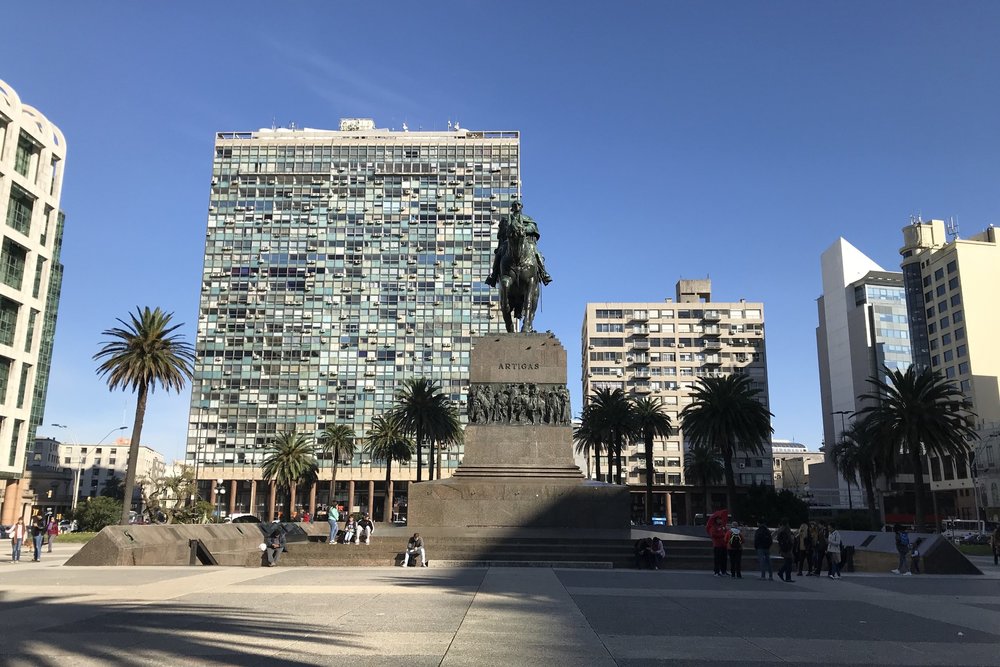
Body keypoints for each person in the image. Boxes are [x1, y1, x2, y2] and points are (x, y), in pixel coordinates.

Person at [485, 200, 552, 287]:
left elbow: (532, 228)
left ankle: (543, 273)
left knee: (536, 251)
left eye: (518, 204)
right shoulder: (506, 219)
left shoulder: (527, 218)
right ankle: (493, 276)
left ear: (521, 207)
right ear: (512, 208)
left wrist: (523, 229)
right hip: (509, 241)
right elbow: (501, 234)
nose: (517, 206)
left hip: (526, 241)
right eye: (514, 205)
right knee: (499, 253)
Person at [775, 518, 795, 582]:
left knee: (788, 561)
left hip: (782, 548)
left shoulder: (780, 529)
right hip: (787, 548)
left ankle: (783, 573)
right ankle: (786, 576)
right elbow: (790, 539)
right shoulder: (786, 529)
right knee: (789, 562)